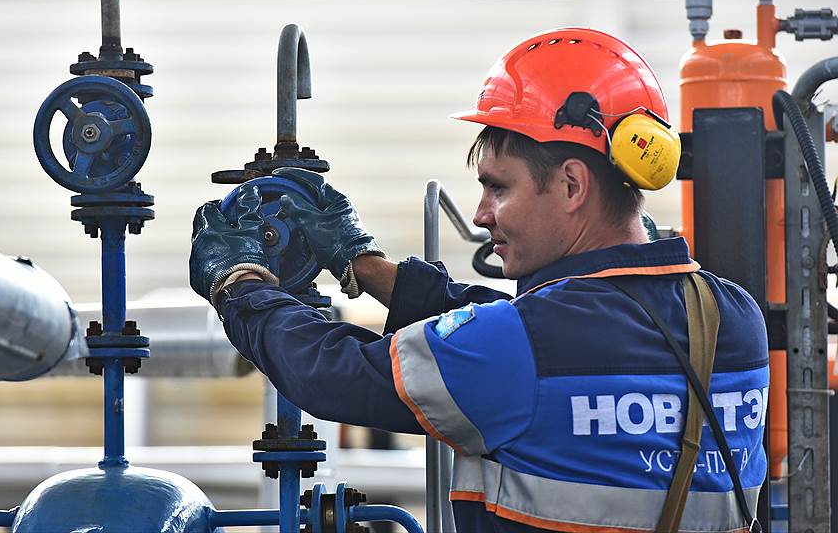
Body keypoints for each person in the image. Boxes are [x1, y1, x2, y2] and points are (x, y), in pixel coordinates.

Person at [189, 27, 768, 533]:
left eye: (498, 187)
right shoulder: (734, 318)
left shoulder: (523, 345)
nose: (481, 214)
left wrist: (240, 284)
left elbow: (331, 374)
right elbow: (543, 335)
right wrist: (367, 268)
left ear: (571, 186)